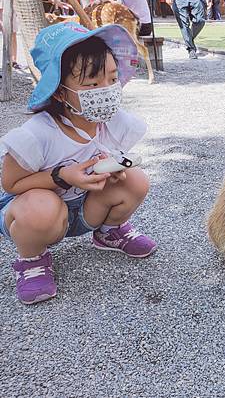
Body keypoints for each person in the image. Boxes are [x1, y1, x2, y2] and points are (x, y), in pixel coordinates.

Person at [0, 22, 157, 305]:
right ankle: (32, 258)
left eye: (111, 78)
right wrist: (62, 176)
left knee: (135, 179)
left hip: (84, 204)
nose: (106, 90)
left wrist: (112, 170)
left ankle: (109, 232)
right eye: (92, 84)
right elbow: (10, 184)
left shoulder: (114, 122)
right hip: (38, 211)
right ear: (59, 92)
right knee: (39, 208)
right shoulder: (38, 134)